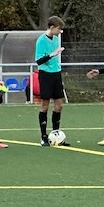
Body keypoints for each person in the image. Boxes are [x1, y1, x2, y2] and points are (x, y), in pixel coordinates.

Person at [33, 16, 70, 147]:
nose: (60, 32)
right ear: (52, 27)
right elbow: (39, 60)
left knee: (59, 105)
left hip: (56, 74)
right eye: (59, 29)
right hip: (45, 75)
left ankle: (56, 135)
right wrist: (52, 54)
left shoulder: (56, 39)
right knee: (45, 105)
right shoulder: (41, 40)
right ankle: (43, 136)